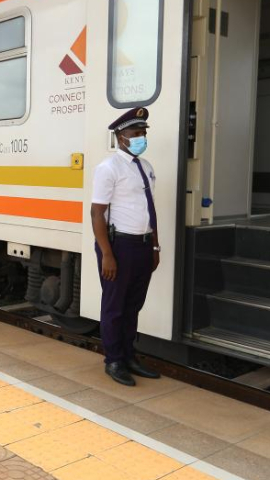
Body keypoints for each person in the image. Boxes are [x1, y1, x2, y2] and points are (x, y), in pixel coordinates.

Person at [90, 107, 161, 386]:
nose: (141, 137)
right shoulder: (108, 168)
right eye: (135, 133)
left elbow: (149, 209)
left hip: (143, 246)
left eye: (143, 133)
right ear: (121, 137)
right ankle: (114, 360)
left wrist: (155, 247)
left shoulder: (147, 167)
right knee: (115, 307)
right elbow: (97, 213)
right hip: (119, 247)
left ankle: (129, 356)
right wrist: (107, 254)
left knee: (133, 305)